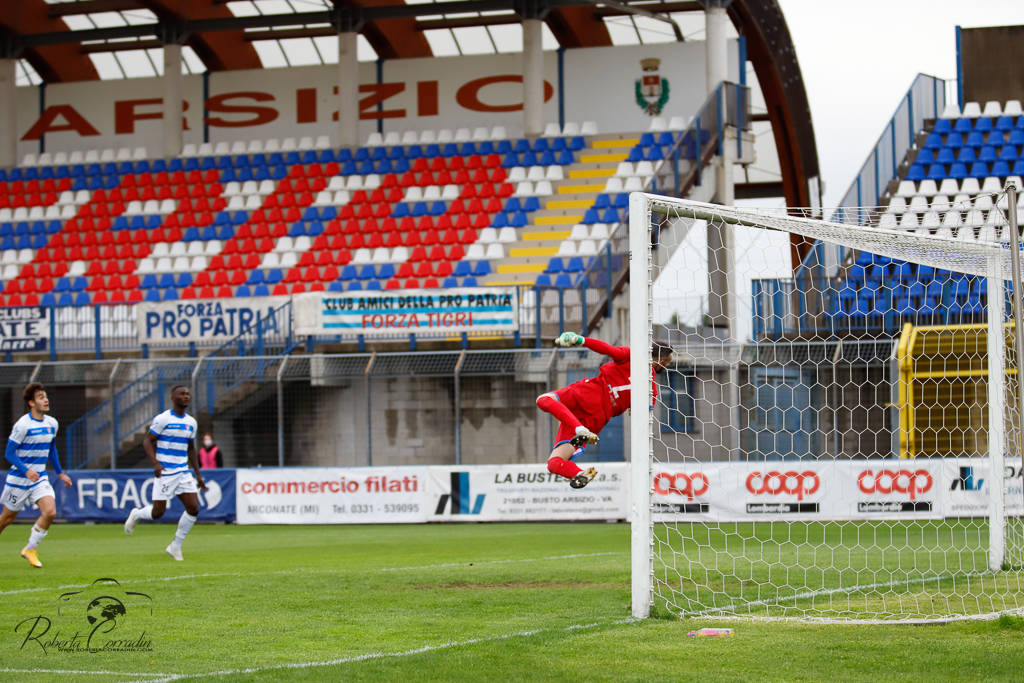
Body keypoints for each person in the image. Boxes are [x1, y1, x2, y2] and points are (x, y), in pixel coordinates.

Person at [537, 332, 672, 489]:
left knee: (543, 400)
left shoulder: (632, 356)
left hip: (588, 394)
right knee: (554, 463)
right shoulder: (651, 390)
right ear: (661, 361)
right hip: (596, 420)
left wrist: (580, 340)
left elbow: (608, 350)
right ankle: (579, 472)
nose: (667, 366)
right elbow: (642, 411)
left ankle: (578, 430)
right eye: (668, 363)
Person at [123, 385, 206, 561]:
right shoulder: (163, 419)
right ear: (172, 397)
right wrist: (155, 463)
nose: (186, 396)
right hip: (166, 473)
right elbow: (147, 441)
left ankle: (175, 546)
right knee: (157, 513)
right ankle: (137, 514)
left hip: (183, 472)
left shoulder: (192, 422)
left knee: (194, 508)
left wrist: (198, 474)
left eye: (188, 394)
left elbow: (191, 448)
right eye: (182, 394)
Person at [0, 382, 73, 568]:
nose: (46, 399)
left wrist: (60, 473)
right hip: (18, 480)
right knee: (7, 519)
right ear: (31, 403)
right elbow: (9, 453)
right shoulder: (22, 425)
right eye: (41, 397)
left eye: (46, 396)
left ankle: (30, 549)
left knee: (50, 512)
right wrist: (26, 470)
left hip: (39, 478)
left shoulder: (52, 423)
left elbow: (52, 449)